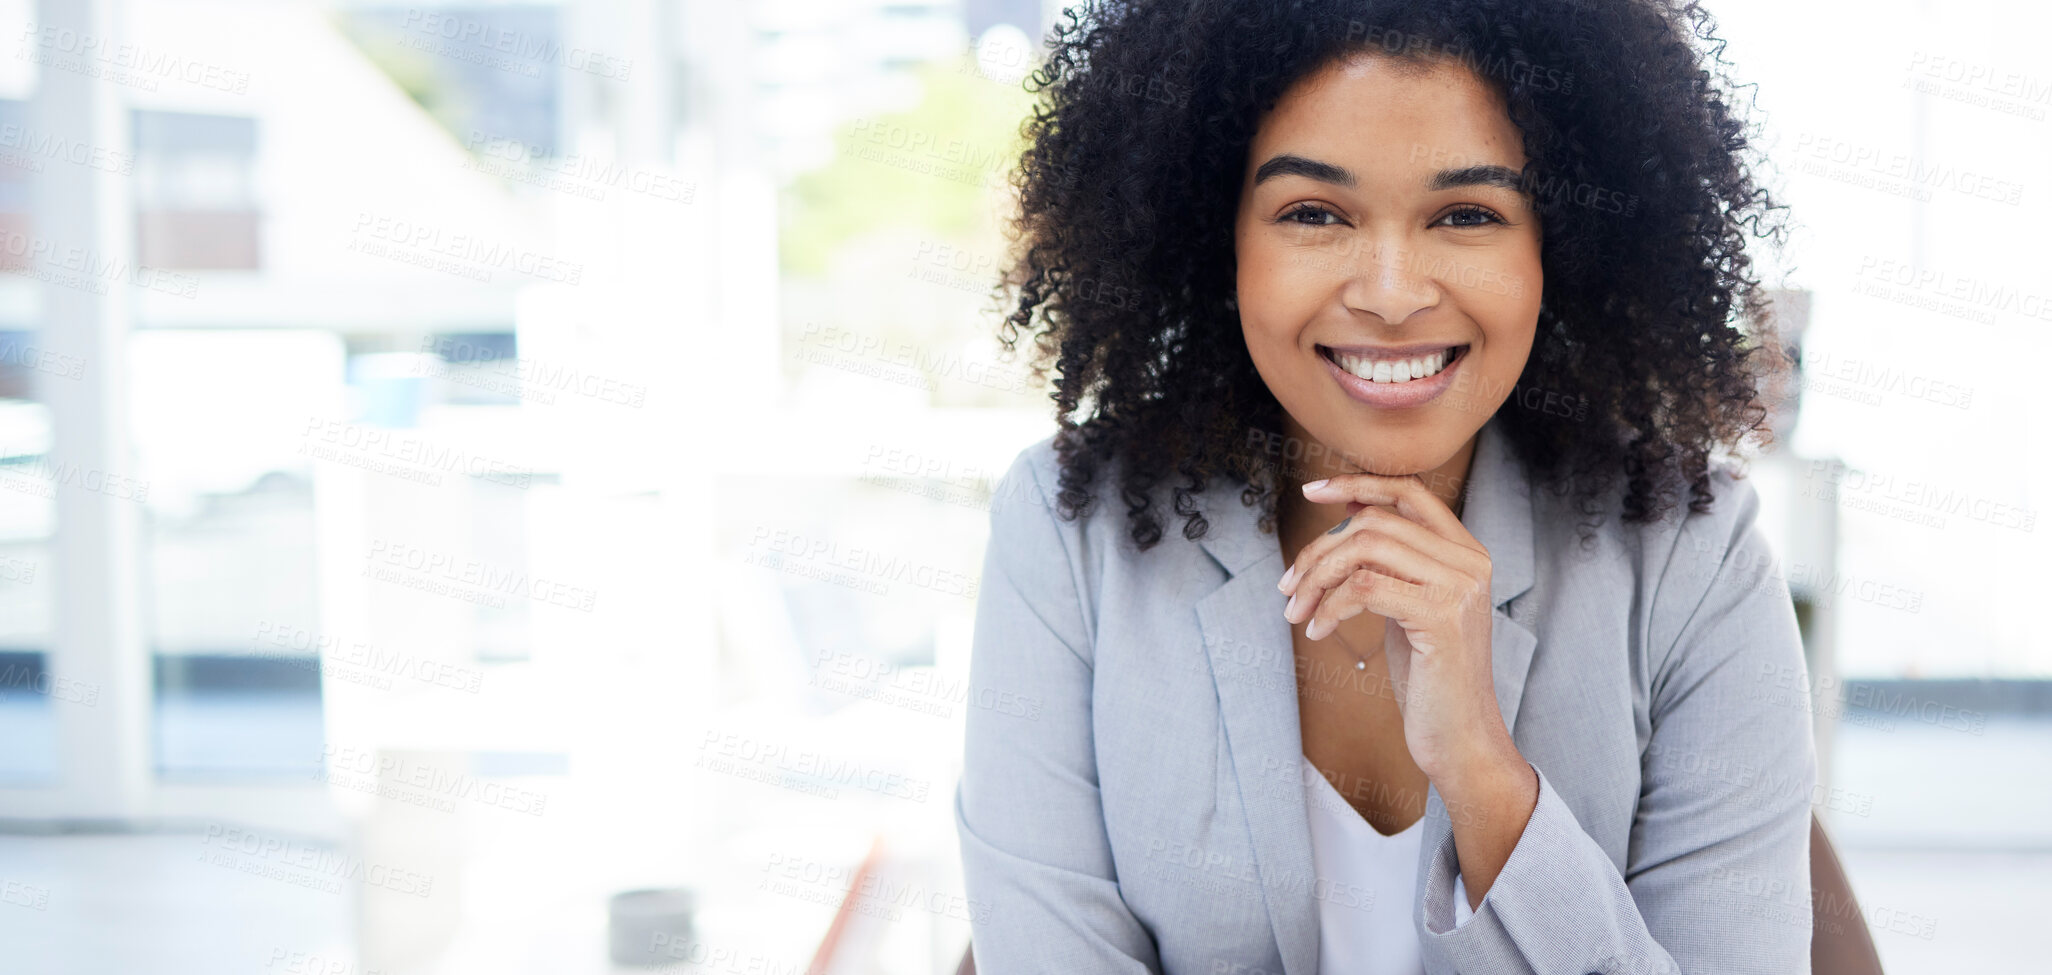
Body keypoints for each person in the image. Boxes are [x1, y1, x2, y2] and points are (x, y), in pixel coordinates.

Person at [954, 1, 1815, 973]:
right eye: (1314, 214)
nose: (1393, 293)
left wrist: (1487, 775)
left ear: (1558, 248)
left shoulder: (1695, 556)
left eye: (1467, 215)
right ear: (1216, 239)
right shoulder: (1069, 531)